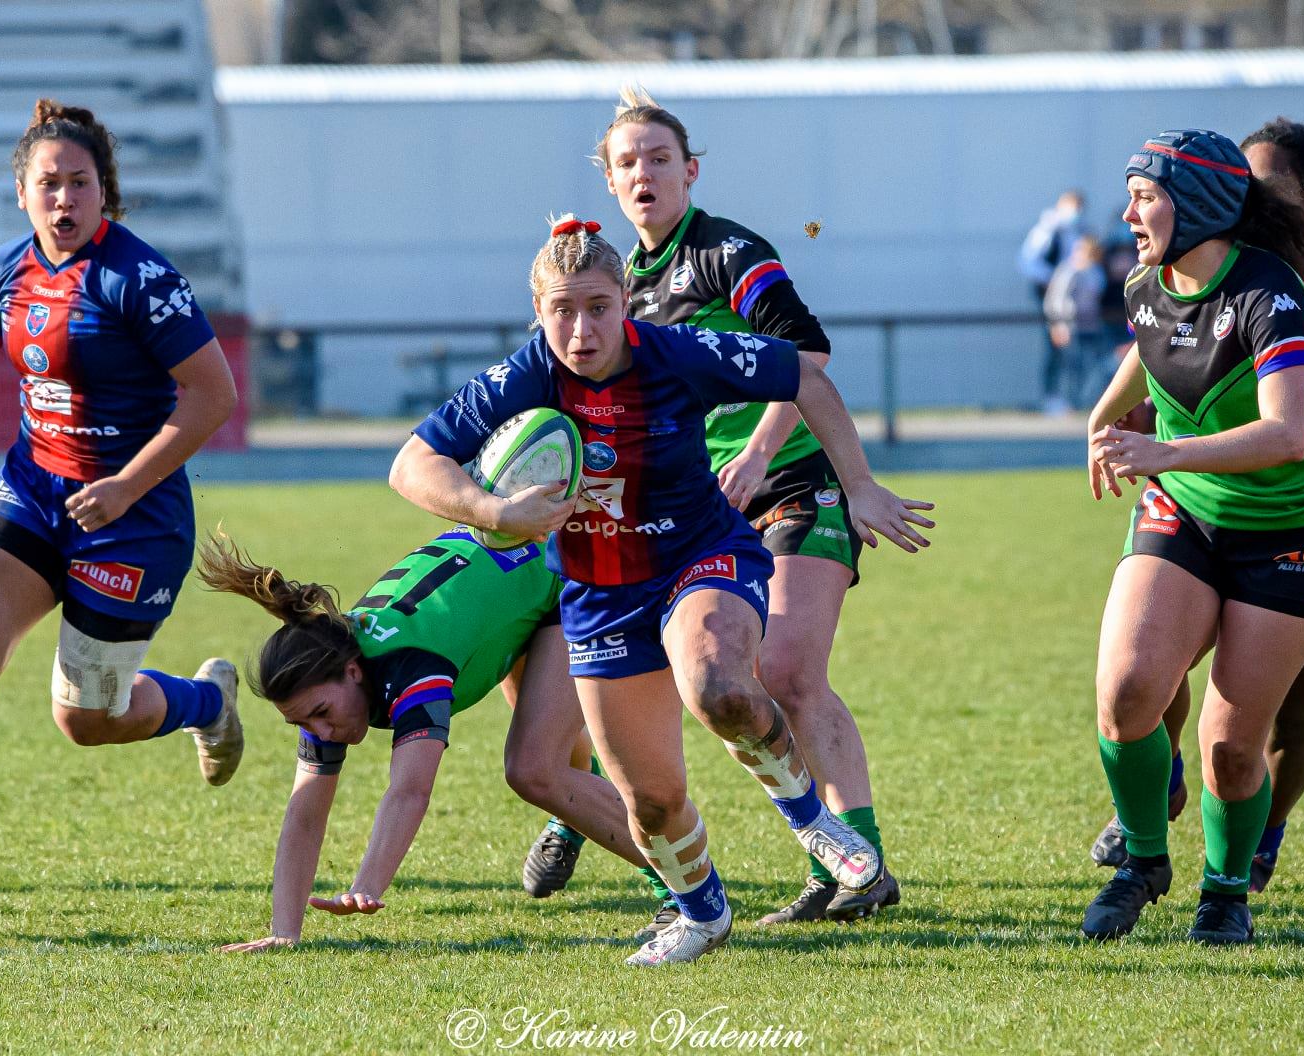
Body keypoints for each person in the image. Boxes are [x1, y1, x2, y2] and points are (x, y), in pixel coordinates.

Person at [391, 216, 934, 965]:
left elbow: (804, 371)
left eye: (597, 308)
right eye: (561, 311)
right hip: (599, 594)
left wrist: (861, 483)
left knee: (718, 685)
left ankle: (811, 818)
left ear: (624, 302)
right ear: (537, 313)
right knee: (650, 801)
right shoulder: (525, 377)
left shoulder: (677, 354)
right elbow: (413, 462)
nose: (580, 329)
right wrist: (493, 510)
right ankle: (703, 913)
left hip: (698, 557)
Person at [0, 100, 241, 919]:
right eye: (48, 184)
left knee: (87, 721)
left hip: (134, 517)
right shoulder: (5, 270)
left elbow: (212, 396)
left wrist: (128, 484)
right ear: (21, 193)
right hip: (33, 492)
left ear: (106, 193)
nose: (63, 199)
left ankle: (206, 701)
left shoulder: (142, 280)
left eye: (79, 183)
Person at [540, 84, 903, 935]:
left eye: (659, 159)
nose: (644, 174)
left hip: (791, 480)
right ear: (608, 182)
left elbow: (805, 353)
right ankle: (582, 801)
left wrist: (761, 452)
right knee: (678, 666)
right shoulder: (614, 279)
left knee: (784, 674)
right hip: (697, 510)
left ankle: (860, 866)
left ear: (689, 170)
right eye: (626, 163)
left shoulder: (724, 252)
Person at [1088, 120, 1304, 890]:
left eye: (1266, 185)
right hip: (1206, 495)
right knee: (1145, 670)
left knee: (1279, 713)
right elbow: (1153, 345)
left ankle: (1254, 841)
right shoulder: (1180, 271)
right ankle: (1156, 788)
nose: (1249, 197)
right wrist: (1109, 418)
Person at [199, 530, 650, 951]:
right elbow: (305, 811)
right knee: (545, 738)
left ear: (354, 672)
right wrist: (284, 933)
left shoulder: (410, 667)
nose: (322, 733)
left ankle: (685, 885)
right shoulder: (326, 673)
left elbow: (409, 791)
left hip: (564, 573)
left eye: (320, 715)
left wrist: (367, 885)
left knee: (533, 768)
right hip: (515, 584)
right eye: (302, 723)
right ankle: (576, 815)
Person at [1019, 189, 1088, 410]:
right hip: (1053, 298)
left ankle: (1075, 397)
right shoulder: (1047, 231)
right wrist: (1053, 280)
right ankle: (1052, 397)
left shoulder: (1076, 232)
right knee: (1055, 344)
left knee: (1076, 347)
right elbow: (1027, 262)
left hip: (1074, 297)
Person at [1043, 233, 1110, 413]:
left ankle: (1085, 401)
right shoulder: (1068, 271)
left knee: (1093, 366)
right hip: (1071, 327)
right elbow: (1055, 300)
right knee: (1071, 366)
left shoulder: (1095, 272)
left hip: (1091, 326)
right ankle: (1066, 403)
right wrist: (1057, 325)